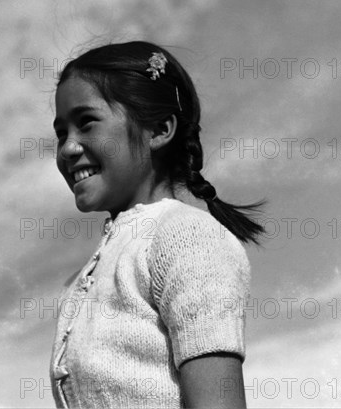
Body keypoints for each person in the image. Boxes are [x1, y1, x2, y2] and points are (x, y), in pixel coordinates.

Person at [49, 41, 265, 408]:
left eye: (86, 123)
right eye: (61, 133)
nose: (69, 148)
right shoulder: (80, 281)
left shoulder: (187, 237)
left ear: (159, 130)